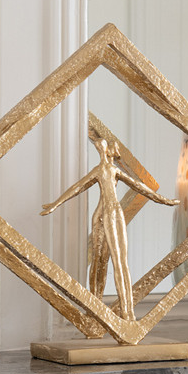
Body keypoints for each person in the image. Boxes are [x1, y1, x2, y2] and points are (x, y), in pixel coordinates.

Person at [41, 137, 177, 321]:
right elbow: (78, 188)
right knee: (112, 261)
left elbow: (138, 186)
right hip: (109, 212)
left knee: (105, 261)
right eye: (114, 148)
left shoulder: (107, 170)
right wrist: (55, 204)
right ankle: (121, 311)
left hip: (105, 213)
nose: (116, 152)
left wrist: (164, 200)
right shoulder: (106, 169)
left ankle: (109, 310)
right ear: (108, 150)